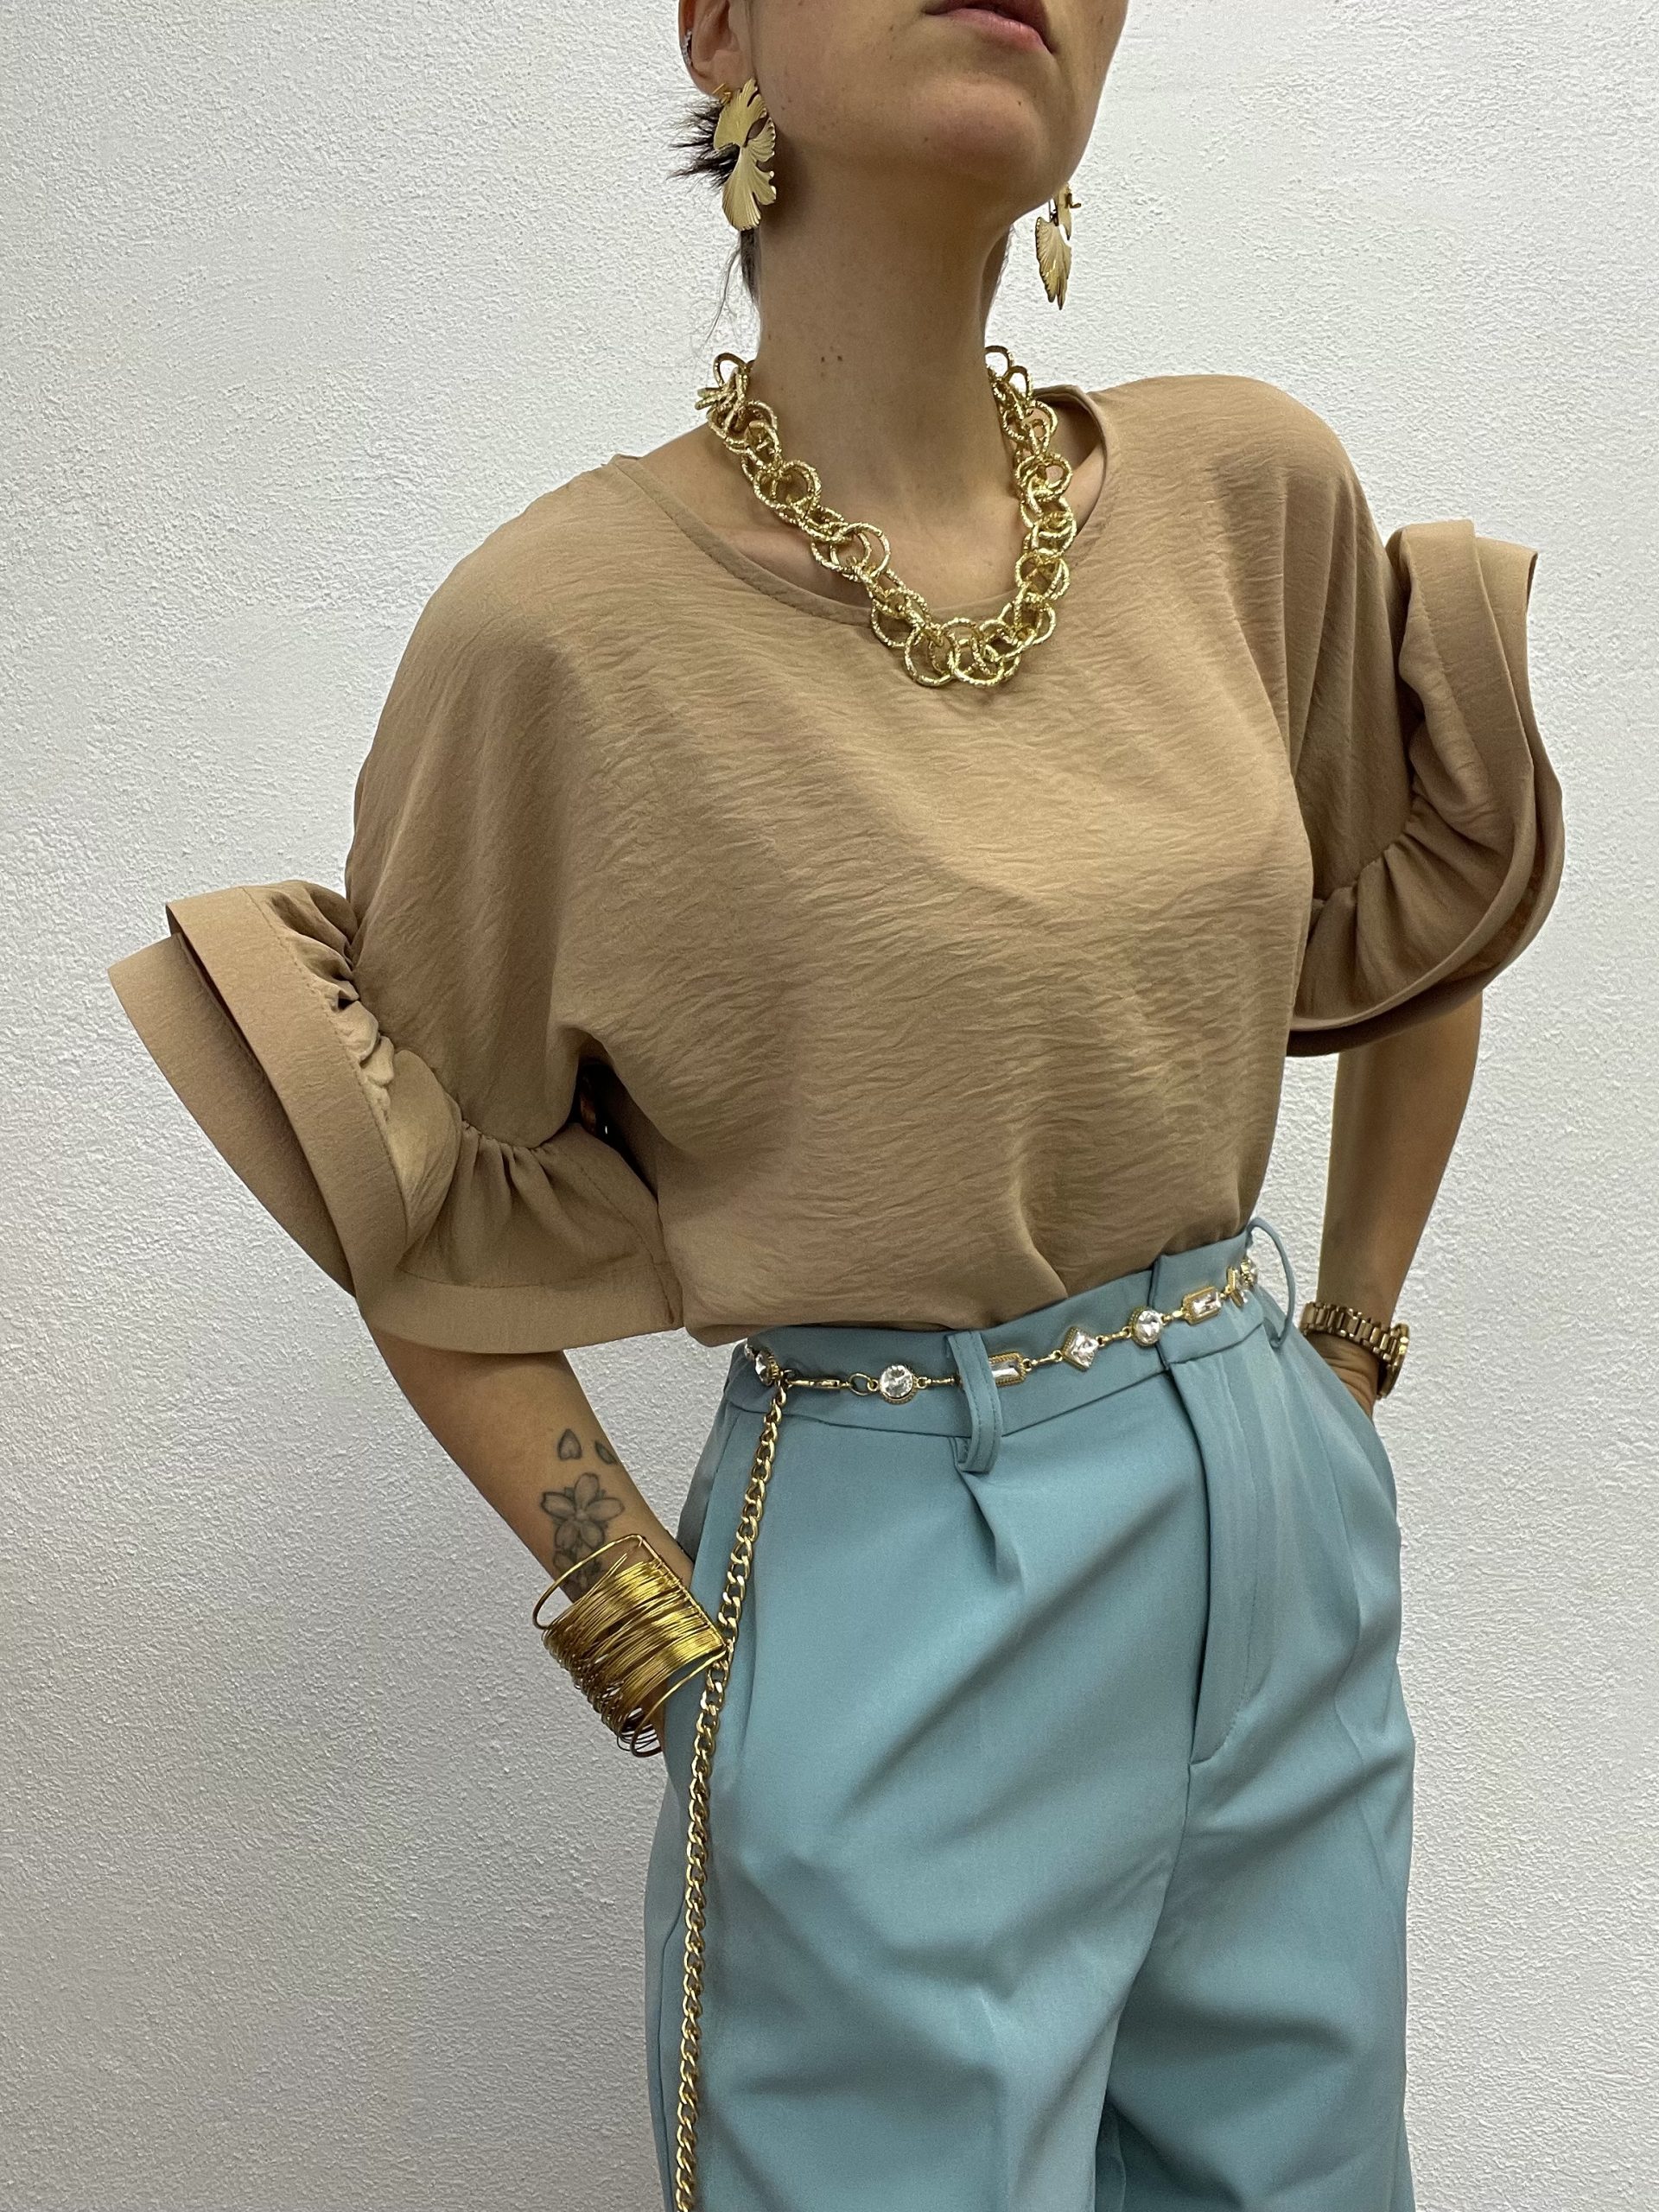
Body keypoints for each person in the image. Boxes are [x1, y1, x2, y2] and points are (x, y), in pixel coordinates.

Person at [105, 3, 1567, 2208]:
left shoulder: (1245, 491)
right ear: (718, 24)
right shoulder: (560, 635)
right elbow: (407, 1201)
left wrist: (1344, 1359)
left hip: (1274, 1524)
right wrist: (654, 1627)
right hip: (901, 1558)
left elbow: (1418, 911)